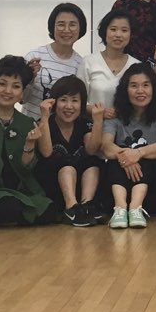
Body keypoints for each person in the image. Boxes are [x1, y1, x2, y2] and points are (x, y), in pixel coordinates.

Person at [0, 56, 57, 226]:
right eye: (2, 83)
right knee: (9, 206)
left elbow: (26, 168)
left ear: (22, 92)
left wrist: (29, 145)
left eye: (16, 86)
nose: (8, 91)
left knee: (49, 211)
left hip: (19, 189)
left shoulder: (27, 122)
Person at [101, 63, 156, 229]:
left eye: (145, 85)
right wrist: (127, 157)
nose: (140, 91)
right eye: (134, 86)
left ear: (153, 89)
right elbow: (106, 146)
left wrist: (138, 153)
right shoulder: (115, 115)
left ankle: (135, 208)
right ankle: (120, 209)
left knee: (147, 158)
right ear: (125, 90)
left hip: (153, 189)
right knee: (115, 159)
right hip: (118, 186)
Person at [35, 75, 107, 226]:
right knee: (67, 167)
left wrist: (98, 121)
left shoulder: (84, 123)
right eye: (63, 100)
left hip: (80, 185)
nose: (69, 106)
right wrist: (44, 117)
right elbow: (46, 152)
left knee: (93, 163)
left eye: (74, 100)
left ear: (82, 104)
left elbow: (92, 149)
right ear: (54, 102)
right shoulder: (45, 122)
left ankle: (86, 206)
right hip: (53, 187)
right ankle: (71, 209)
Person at [23, 2, 87, 122]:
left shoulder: (82, 64)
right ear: (52, 27)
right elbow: (21, 99)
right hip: (30, 127)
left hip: (62, 131)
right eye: (61, 24)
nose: (66, 30)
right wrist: (30, 79)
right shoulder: (35, 56)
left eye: (72, 25)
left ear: (81, 28)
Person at [77, 8, 139, 117]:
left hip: (126, 126)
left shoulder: (137, 66)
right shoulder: (88, 62)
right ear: (104, 32)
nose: (118, 34)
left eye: (124, 30)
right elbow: (77, 99)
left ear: (131, 34)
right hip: (92, 124)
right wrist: (96, 111)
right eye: (113, 29)